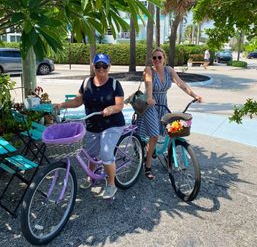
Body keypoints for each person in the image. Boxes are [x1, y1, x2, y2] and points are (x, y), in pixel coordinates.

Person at [55, 53, 125, 199]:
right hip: (93, 124)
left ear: (109, 67)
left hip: (112, 124)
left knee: (105, 153)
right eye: (98, 65)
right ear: (94, 67)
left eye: (104, 65)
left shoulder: (114, 84)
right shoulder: (86, 82)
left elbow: (119, 105)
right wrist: (62, 105)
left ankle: (112, 184)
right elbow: (78, 101)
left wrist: (110, 109)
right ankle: (90, 177)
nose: (101, 68)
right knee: (91, 153)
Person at [136, 47, 203, 180]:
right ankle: (147, 164)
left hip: (162, 103)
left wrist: (195, 95)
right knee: (154, 135)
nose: (157, 60)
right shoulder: (149, 70)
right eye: (154, 58)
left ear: (164, 59)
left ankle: (163, 153)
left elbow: (181, 84)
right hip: (150, 104)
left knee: (169, 130)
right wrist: (149, 98)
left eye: (159, 57)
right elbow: (149, 85)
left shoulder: (169, 70)